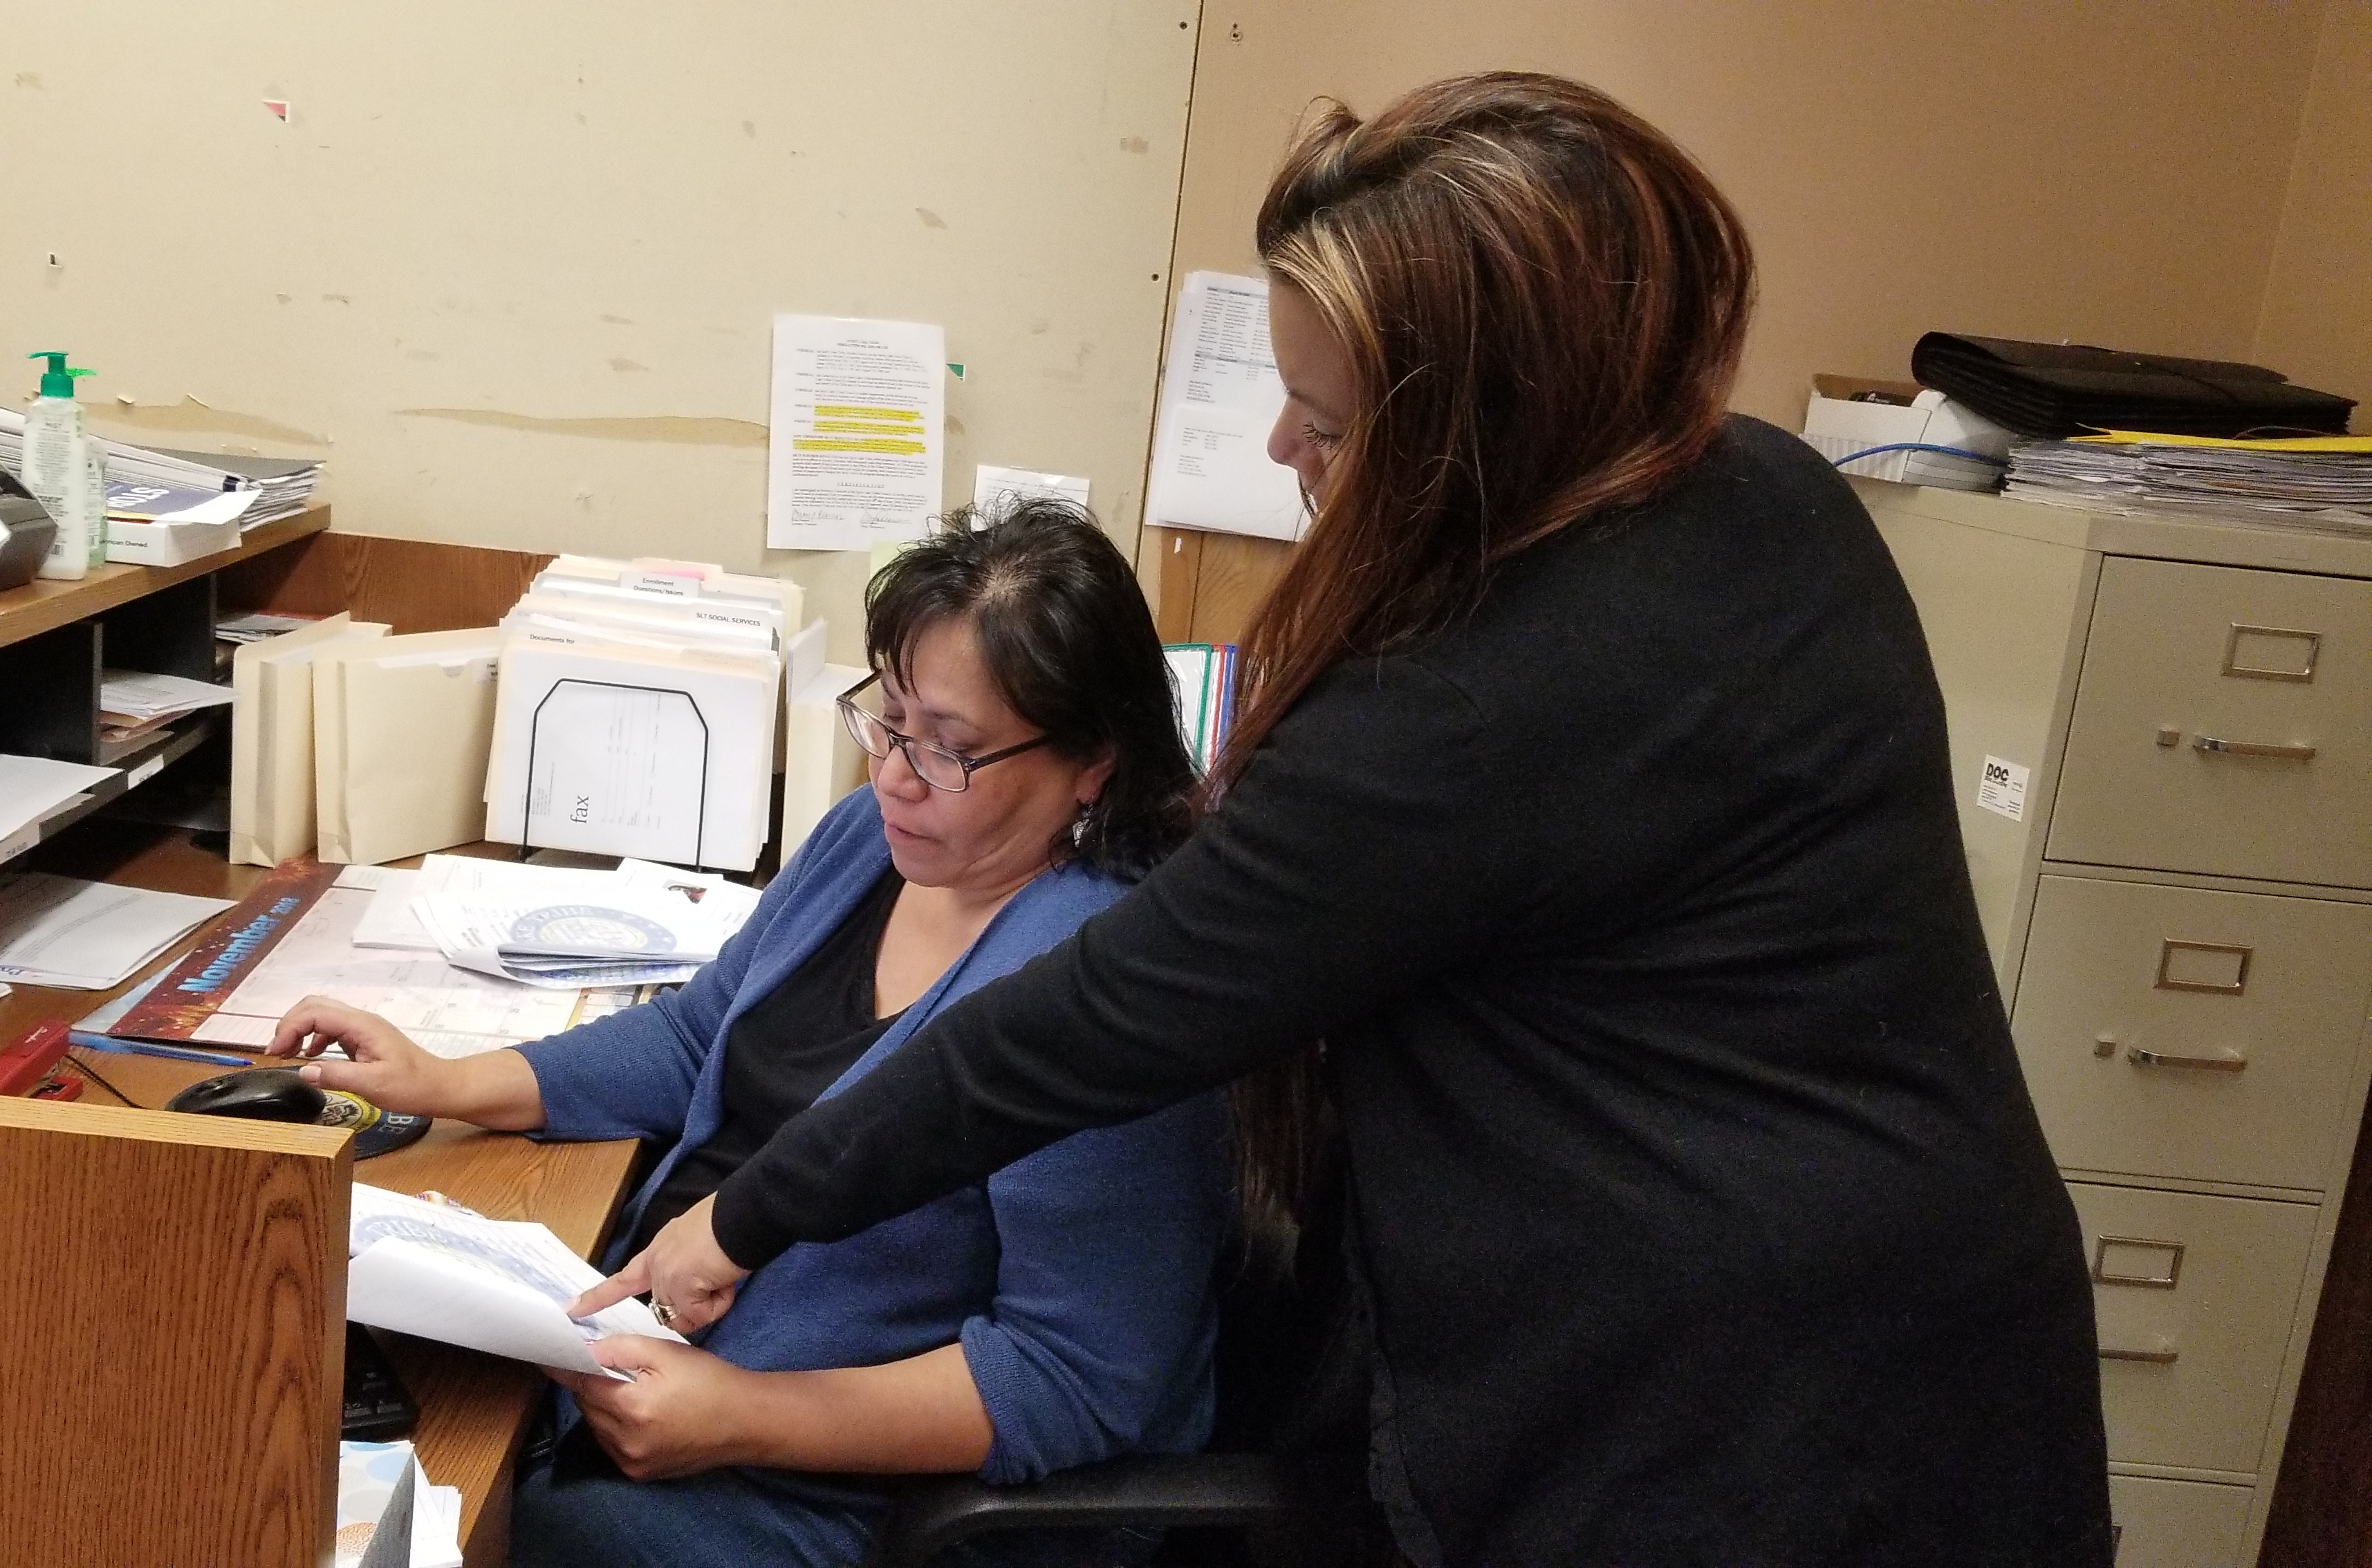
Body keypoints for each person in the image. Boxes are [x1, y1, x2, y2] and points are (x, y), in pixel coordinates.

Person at [582, 73, 2116, 1566]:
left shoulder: (1480, 701)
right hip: (1941, 1320)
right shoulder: (1766, 495)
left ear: (1478, 429)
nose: (1281, 453)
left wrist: (748, 1220)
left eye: (1322, 417)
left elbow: (1088, 1026)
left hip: (1727, 1420)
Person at [274, 498, 1227, 1567]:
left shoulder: (1112, 996)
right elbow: (697, 1041)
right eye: (890, 719)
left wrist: (744, 1413)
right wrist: (448, 1081)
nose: (897, 776)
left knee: (393, 1516)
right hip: (643, 1362)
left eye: (951, 751)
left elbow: (1072, 1380)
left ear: (1092, 762)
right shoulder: (872, 838)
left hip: (840, 1495)